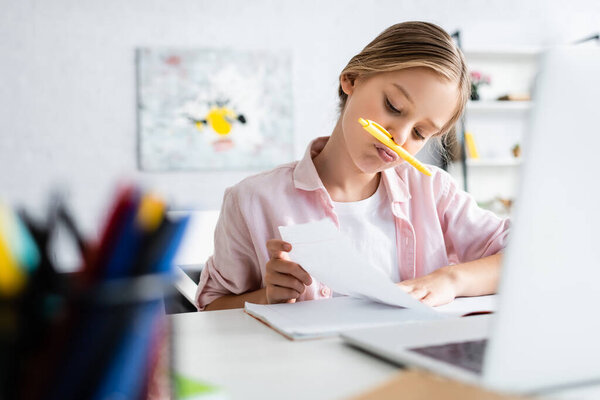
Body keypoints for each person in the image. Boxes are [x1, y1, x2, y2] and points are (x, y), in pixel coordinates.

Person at [196, 21, 509, 311]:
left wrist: (451, 280)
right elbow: (209, 307)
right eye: (394, 107)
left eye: (419, 133)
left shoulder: (434, 191)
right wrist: (267, 296)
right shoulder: (252, 199)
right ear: (351, 80)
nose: (398, 138)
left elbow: (524, 257)